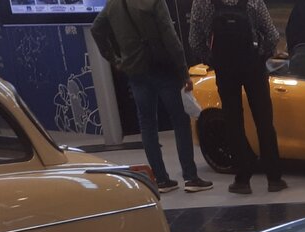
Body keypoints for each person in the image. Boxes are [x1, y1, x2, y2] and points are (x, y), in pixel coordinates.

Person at [91, 0, 213, 193]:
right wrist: (183, 72)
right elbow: (170, 36)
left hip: (134, 70)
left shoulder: (113, 4)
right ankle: (190, 178)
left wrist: (115, 60)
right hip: (162, 68)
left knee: (147, 124)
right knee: (180, 121)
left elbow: (97, 29)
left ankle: (161, 180)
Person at [189, 0, 287, 193]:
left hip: (225, 70)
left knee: (233, 122)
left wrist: (213, 60)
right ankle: (274, 178)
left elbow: (194, 41)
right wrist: (260, 55)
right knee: (264, 121)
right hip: (253, 67)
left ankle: (242, 179)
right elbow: (272, 35)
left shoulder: (201, 2)